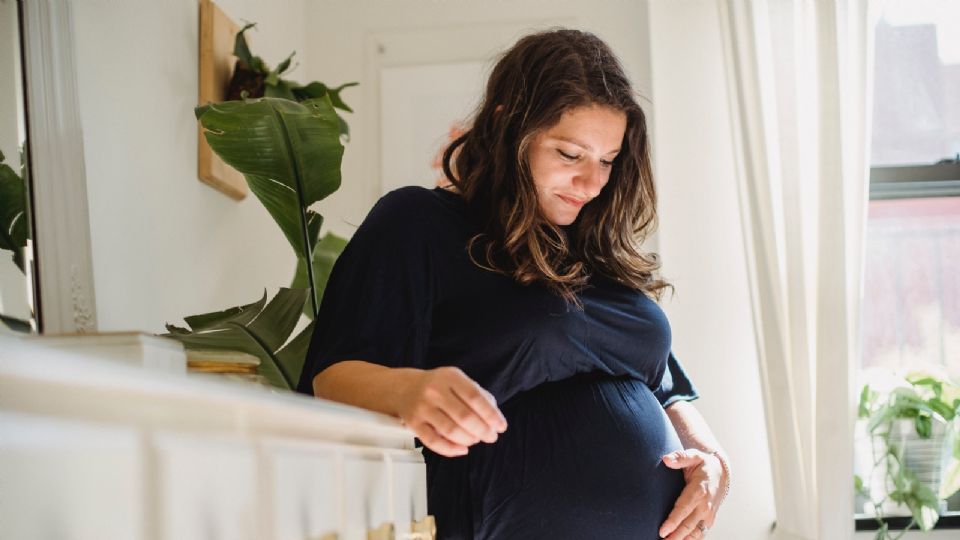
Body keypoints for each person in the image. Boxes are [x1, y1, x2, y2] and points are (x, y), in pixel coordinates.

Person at [296, 28, 731, 540]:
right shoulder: (419, 224)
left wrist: (714, 465)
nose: (593, 184)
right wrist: (411, 389)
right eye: (570, 154)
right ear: (508, 128)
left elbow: (666, 386)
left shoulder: (596, 250)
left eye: (608, 161)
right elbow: (330, 379)